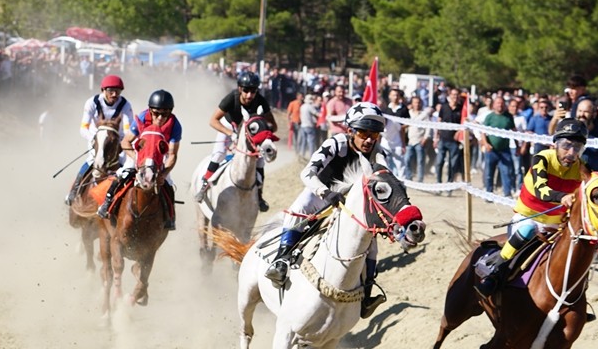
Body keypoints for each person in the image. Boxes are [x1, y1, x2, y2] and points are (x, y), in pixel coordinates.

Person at [264, 101, 390, 318]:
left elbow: (384, 181)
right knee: (298, 208)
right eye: (363, 133)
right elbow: (306, 173)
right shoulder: (336, 143)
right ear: (350, 131)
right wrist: (326, 193)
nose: (369, 139)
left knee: (371, 243)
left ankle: (367, 292)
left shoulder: (378, 153)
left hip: (348, 204)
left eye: (375, 134)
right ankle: (281, 260)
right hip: (320, 193)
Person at [476, 119, 587, 296]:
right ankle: (493, 272)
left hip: (557, 225)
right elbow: (541, 189)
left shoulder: (582, 168)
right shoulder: (541, 158)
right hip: (529, 218)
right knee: (527, 230)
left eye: (577, 148)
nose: (571, 153)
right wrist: (562, 197)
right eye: (566, 146)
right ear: (555, 144)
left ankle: (577, 292)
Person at [96, 89, 182, 231]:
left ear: (170, 112)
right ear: (150, 110)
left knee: (168, 185)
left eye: (165, 114)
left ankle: (170, 217)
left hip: (159, 158)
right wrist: (137, 159)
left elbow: (172, 154)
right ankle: (107, 203)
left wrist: (164, 173)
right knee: (122, 175)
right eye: (156, 113)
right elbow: (125, 142)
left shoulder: (175, 125)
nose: (160, 118)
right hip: (139, 154)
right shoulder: (142, 118)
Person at [195, 70, 276, 210]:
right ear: (239, 89)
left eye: (253, 91)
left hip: (250, 132)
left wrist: (263, 134)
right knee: (219, 154)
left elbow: (273, 126)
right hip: (229, 126)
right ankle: (204, 186)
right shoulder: (231, 98)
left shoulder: (261, 100)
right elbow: (213, 121)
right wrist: (230, 133)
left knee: (260, 160)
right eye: (246, 90)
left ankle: (259, 195)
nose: (249, 95)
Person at [65, 74, 134, 205]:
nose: (114, 94)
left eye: (118, 91)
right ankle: (74, 191)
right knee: (92, 160)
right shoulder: (92, 103)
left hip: (117, 142)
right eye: (111, 91)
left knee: (126, 167)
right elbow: (83, 128)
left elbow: (127, 129)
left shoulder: (125, 105)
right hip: (96, 141)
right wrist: (95, 140)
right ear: (103, 90)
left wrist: (121, 144)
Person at [480, 93, 516, 197]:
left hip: (505, 150)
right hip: (491, 150)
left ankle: (507, 193)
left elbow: (514, 131)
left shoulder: (508, 117)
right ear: (494, 104)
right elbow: (483, 132)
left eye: (501, 103)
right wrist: (486, 144)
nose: (500, 105)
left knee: (506, 172)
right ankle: (489, 194)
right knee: (489, 173)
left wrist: (518, 146)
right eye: (498, 103)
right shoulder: (489, 117)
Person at [434, 87, 465, 184]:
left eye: (456, 95)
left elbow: (463, 123)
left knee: (453, 164)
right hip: (443, 139)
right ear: (450, 95)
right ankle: (439, 182)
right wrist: (436, 137)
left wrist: (459, 132)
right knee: (439, 162)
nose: (455, 96)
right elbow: (438, 122)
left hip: (454, 141)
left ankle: (449, 183)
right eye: (453, 94)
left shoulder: (462, 108)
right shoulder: (444, 107)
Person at [405, 94, 431, 181]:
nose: (417, 104)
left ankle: (420, 180)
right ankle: (409, 177)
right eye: (415, 102)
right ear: (412, 103)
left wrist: (425, 138)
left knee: (420, 161)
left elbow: (428, 127)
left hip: (420, 141)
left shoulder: (424, 114)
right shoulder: (409, 113)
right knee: (407, 159)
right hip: (410, 141)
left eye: (418, 102)